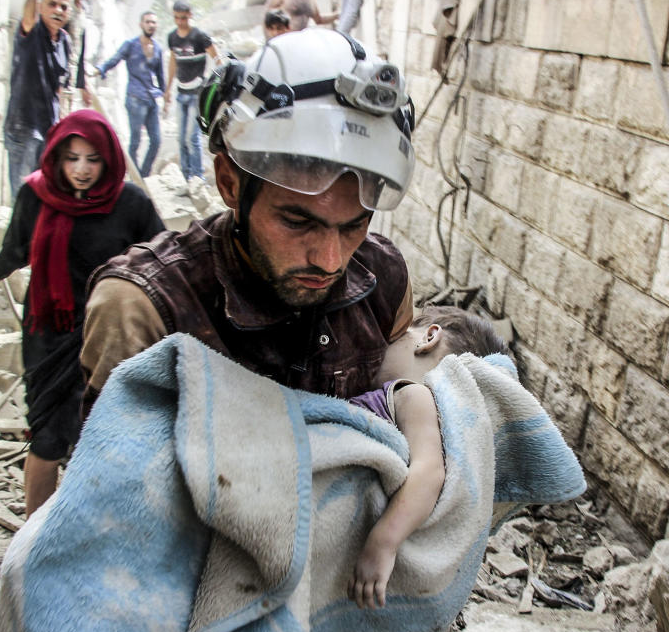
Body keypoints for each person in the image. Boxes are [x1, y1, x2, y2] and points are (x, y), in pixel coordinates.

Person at [80, 29, 417, 413]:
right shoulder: (145, 309)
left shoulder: (385, 279)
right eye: (296, 221)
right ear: (229, 183)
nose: (330, 260)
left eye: (353, 225)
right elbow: (116, 464)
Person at [0, 110, 166, 516]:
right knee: (47, 435)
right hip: (49, 334)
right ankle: (34, 539)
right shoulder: (35, 195)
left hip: (108, 335)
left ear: (108, 159)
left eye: (92, 159)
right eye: (72, 158)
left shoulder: (130, 203)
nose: (81, 170)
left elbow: (162, 258)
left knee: (100, 431)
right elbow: (15, 249)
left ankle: (88, 530)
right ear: (56, 158)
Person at [347, 305, 508, 609]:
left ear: (429, 337)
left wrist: (383, 542)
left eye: (395, 333)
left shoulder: (416, 396)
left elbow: (430, 472)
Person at [4, 0, 73, 200]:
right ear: (41, 6)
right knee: (22, 194)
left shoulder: (64, 41)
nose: (58, 11)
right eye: (52, 4)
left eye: (63, 7)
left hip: (47, 128)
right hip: (23, 125)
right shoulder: (32, 30)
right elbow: (28, 15)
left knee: (43, 192)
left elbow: (59, 86)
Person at [96, 12, 166, 177]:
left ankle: (143, 175)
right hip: (135, 98)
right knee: (135, 141)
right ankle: (134, 177)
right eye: (148, 22)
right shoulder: (131, 44)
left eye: (154, 22)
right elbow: (115, 59)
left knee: (156, 141)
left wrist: (162, 92)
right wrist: (101, 69)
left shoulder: (157, 48)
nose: (151, 25)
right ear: (141, 24)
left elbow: (161, 75)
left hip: (150, 99)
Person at [163, 0, 219, 182]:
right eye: (177, 18)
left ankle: (197, 176)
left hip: (197, 93)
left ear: (190, 16)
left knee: (191, 137)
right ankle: (185, 175)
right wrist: (168, 88)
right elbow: (173, 61)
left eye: (183, 18)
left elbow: (217, 58)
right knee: (181, 137)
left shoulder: (199, 37)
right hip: (181, 92)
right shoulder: (172, 37)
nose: (180, 22)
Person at [57, 0, 98, 113]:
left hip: (70, 81)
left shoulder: (82, 8)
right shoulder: (63, 6)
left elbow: (78, 48)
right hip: (58, 81)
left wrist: (84, 84)